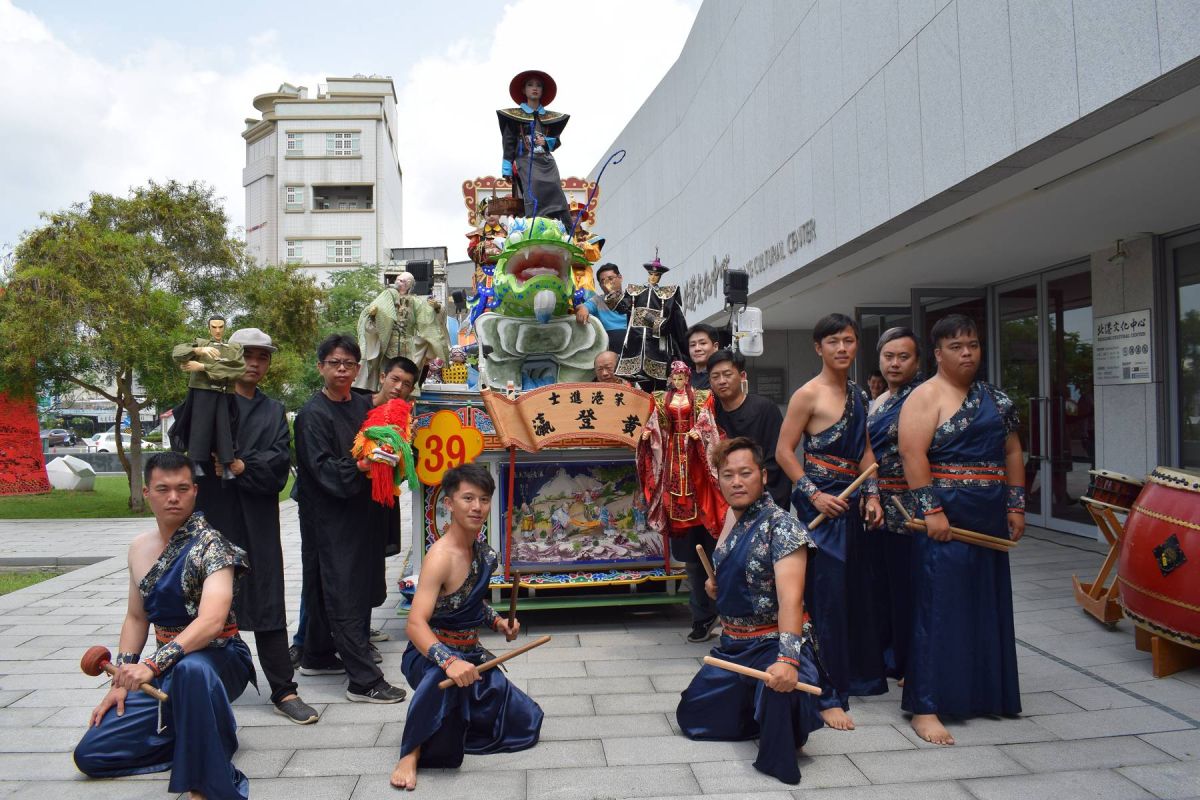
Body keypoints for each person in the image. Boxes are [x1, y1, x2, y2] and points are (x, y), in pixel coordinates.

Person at [74, 452, 255, 800]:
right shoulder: (139, 548)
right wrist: (123, 679)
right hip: (168, 668)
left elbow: (211, 621)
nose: (173, 497)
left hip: (219, 660)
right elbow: (137, 617)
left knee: (191, 670)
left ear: (195, 491)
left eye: (182, 488)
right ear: (146, 493)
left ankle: (206, 781)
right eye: (163, 489)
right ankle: (203, 735)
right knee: (92, 754)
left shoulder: (212, 547)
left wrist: (151, 666)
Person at [898, 314, 1024, 745]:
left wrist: (1016, 503)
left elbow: (1011, 450)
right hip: (945, 516)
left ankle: (984, 693)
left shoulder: (997, 399)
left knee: (985, 601)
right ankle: (926, 705)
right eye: (956, 346)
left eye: (972, 344)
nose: (967, 352)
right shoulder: (924, 395)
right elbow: (913, 455)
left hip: (990, 515)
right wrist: (931, 510)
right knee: (939, 605)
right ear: (938, 353)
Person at [676, 438, 824, 785]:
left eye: (745, 473)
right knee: (693, 715)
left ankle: (790, 708)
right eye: (728, 475)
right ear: (719, 481)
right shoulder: (733, 518)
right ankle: (766, 710)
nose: (737, 482)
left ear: (764, 475)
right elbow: (736, 571)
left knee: (779, 692)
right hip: (735, 648)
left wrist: (787, 661)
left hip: (774, 644)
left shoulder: (783, 527)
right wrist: (718, 586)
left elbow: (792, 599)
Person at [391, 464, 543, 790]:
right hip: (429, 654)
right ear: (449, 504)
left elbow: (471, 601)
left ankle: (458, 712)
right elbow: (415, 623)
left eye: (484, 499)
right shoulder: (439, 557)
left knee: (525, 719)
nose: (477, 507)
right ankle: (410, 753)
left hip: (472, 655)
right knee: (439, 682)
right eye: (468, 498)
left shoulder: (484, 553)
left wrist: (500, 622)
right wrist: (449, 660)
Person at [193, 328, 317, 725]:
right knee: (207, 599)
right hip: (215, 515)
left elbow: (280, 463)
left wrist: (241, 465)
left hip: (259, 517)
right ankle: (200, 683)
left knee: (266, 597)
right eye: (246, 354)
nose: (254, 362)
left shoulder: (272, 410)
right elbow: (186, 442)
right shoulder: (211, 399)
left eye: (262, 357)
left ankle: (283, 688)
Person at [776, 313, 886, 730]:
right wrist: (813, 493)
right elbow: (785, 451)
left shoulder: (859, 395)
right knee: (826, 600)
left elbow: (867, 453)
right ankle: (827, 689)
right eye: (834, 342)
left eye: (849, 341)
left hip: (854, 503)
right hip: (820, 508)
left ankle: (857, 676)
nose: (843, 348)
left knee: (859, 594)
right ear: (818, 348)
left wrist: (872, 494)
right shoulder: (808, 394)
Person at [294, 333, 406, 703]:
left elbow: (380, 441)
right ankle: (363, 680)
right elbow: (321, 468)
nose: (342, 369)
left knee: (345, 586)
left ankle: (318, 655)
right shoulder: (313, 414)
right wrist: (360, 465)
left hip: (361, 512)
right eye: (334, 363)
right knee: (342, 590)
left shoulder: (360, 405)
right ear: (320, 367)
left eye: (349, 364)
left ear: (359, 369)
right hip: (329, 515)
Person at [637, 361, 728, 643]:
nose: (677, 380)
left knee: (718, 553)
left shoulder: (702, 397)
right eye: (674, 376)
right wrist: (648, 435)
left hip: (698, 463)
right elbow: (654, 424)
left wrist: (699, 432)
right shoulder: (660, 400)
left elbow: (709, 422)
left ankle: (728, 613)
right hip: (672, 461)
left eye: (681, 376)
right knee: (690, 558)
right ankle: (702, 615)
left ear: (688, 377)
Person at [865, 327, 923, 684]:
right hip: (875, 505)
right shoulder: (880, 399)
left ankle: (909, 660)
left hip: (909, 506)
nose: (895, 363)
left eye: (904, 357)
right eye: (889, 356)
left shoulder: (922, 397)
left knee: (907, 588)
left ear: (917, 361)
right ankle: (887, 655)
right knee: (880, 588)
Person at [707, 350, 791, 509]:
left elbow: (775, 460)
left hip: (762, 500)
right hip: (723, 501)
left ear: (742, 376)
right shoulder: (710, 413)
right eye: (715, 377)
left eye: (727, 374)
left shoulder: (764, 408)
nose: (722, 381)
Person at [170, 315, 245, 478]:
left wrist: (203, 366)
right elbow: (177, 353)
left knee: (224, 430)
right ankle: (195, 462)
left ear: (225, 327)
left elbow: (236, 370)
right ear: (208, 328)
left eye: (220, 327)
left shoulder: (234, 348)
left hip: (225, 394)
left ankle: (226, 466)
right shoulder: (201, 344)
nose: (217, 331)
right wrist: (197, 350)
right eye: (214, 327)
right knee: (199, 428)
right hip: (201, 393)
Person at [498, 69, 571, 227]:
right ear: (524, 90)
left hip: (547, 162)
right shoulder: (514, 116)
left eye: (538, 85)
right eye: (530, 85)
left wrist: (546, 142)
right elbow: (508, 142)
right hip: (525, 160)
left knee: (556, 190)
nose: (535, 88)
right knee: (534, 192)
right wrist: (507, 168)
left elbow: (557, 141)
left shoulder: (549, 117)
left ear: (543, 91)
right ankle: (535, 228)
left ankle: (564, 229)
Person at [355, 274, 447, 393]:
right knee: (385, 374)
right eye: (399, 279)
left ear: (410, 284)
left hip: (408, 346)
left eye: (405, 280)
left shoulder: (416, 302)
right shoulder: (386, 296)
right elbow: (372, 311)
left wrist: (437, 307)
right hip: (387, 344)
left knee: (407, 375)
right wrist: (372, 315)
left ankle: (406, 397)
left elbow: (428, 317)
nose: (400, 281)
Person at [614, 257, 690, 391]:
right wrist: (612, 294)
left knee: (657, 387)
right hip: (635, 342)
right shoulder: (635, 292)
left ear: (660, 277)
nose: (653, 277)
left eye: (656, 275)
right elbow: (622, 307)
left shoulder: (668, 295)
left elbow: (672, 323)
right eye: (651, 274)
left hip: (657, 347)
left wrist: (653, 320)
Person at [575, 263, 631, 353]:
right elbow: (583, 306)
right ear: (600, 285)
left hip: (632, 340)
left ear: (620, 278)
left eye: (610, 278)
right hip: (609, 346)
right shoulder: (598, 300)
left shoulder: (633, 297)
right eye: (602, 281)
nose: (607, 283)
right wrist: (582, 309)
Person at [686, 323, 721, 390]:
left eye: (703, 343)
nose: (697, 349)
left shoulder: (721, 377)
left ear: (715, 346)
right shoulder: (684, 378)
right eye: (692, 345)